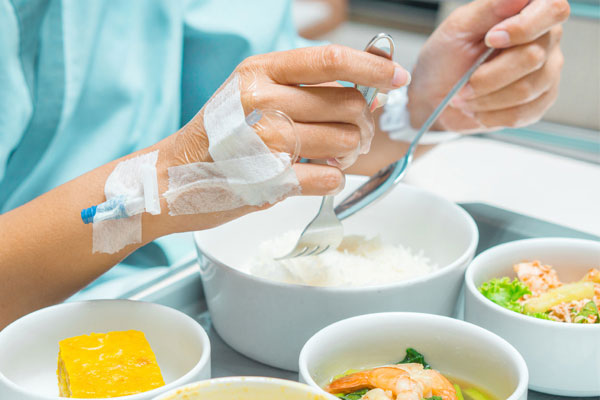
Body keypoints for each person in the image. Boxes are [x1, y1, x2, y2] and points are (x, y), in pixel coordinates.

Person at [0, 0, 569, 329]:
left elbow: (256, 153)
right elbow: (197, 173)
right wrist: (163, 187)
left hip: (179, 296)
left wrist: (423, 106)